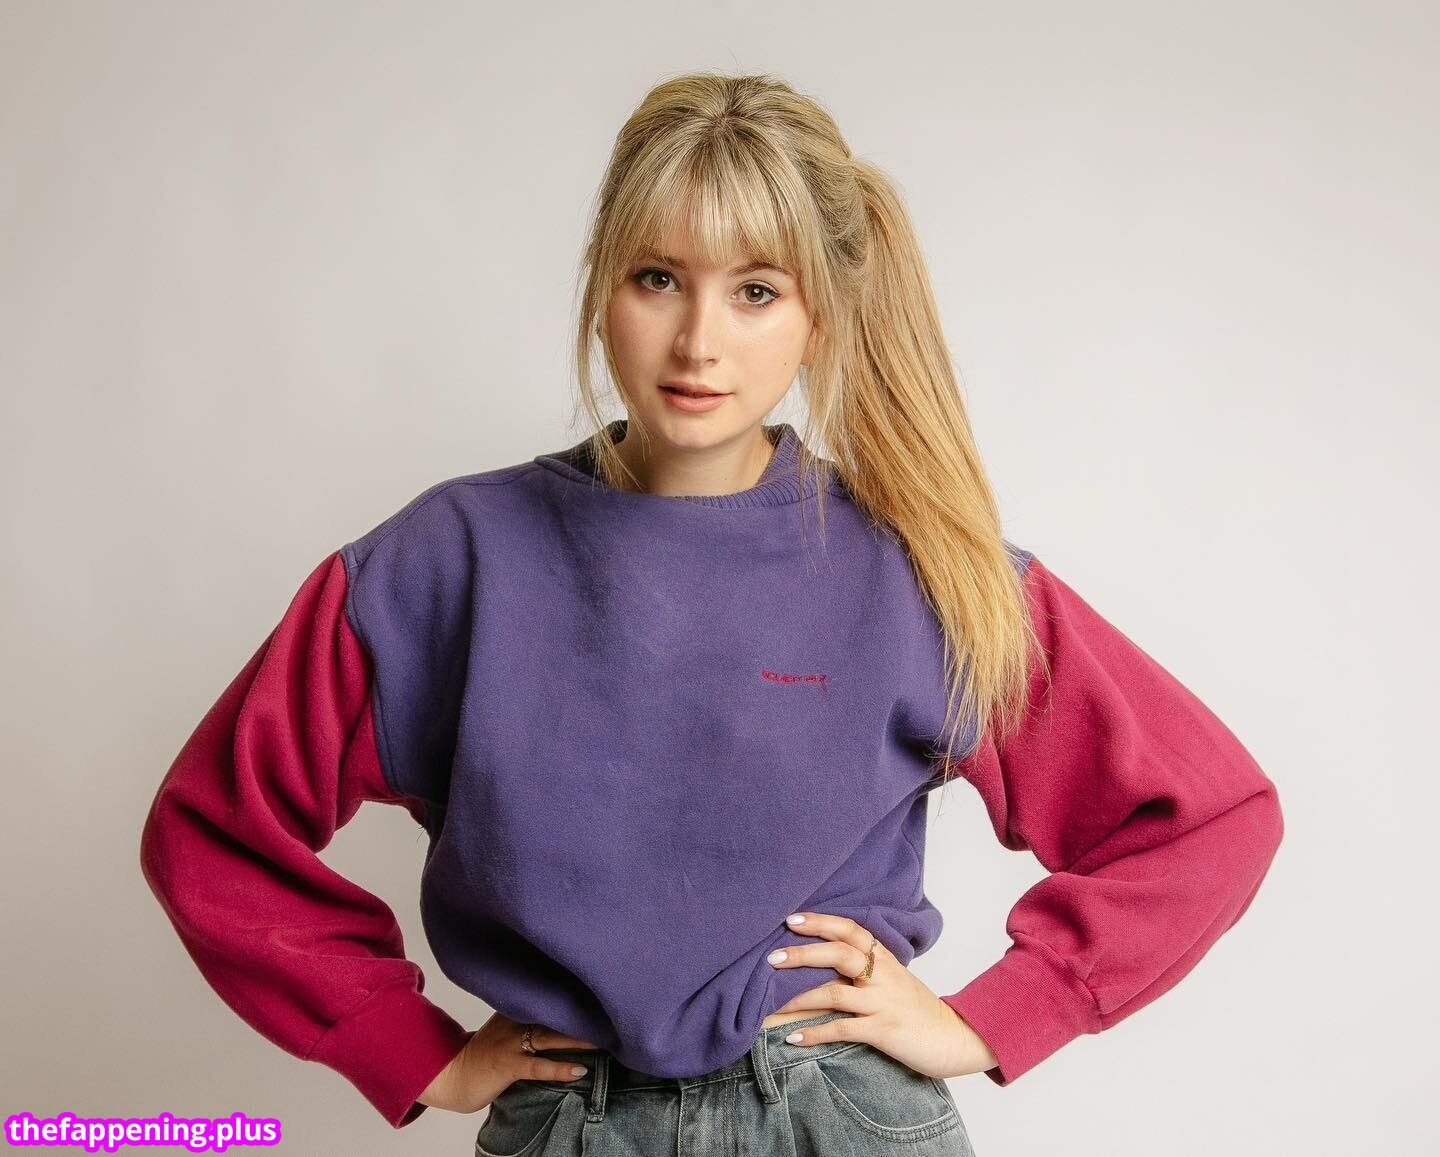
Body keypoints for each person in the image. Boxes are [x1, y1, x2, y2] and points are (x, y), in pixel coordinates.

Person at [139, 71, 1284, 1155]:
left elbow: (1206, 817)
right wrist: (409, 1045)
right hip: (572, 1115)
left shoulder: (923, 570)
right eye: (657, 278)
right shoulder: (450, 561)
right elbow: (213, 828)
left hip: (837, 1108)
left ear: (820, 316)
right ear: (601, 287)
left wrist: (993, 1016)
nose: (699, 340)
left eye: (756, 291)